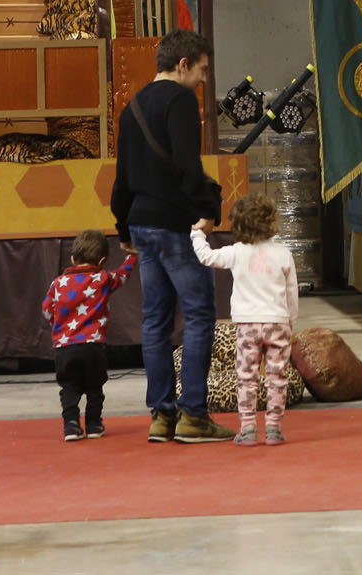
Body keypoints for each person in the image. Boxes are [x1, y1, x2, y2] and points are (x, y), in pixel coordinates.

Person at [110, 28, 234, 443]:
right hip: (175, 225)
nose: (202, 80)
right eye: (201, 70)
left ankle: (161, 416)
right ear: (182, 65)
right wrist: (207, 210)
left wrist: (123, 226)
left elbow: (123, 175)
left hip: (142, 224)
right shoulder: (181, 100)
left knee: (154, 321)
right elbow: (186, 164)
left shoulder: (132, 107)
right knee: (199, 315)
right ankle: (194, 416)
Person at [191, 193, 298, 446]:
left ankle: (248, 427)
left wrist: (197, 234)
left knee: (246, 377)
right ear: (271, 221)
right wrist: (291, 320)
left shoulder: (236, 252)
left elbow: (206, 257)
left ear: (237, 224)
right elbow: (292, 290)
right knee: (277, 376)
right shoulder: (283, 253)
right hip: (278, 322)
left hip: (247, 325)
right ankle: (273, 428)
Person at [41, 229, 137, 442]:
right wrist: (132, 255)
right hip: (94, 347)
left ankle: (71, 426)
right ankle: (94, 424)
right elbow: (123, 275)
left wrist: (60, 327)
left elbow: (47, 310)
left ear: (73, 258)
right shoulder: (103, 278)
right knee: (95, 387)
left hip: (65, 348)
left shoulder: (57, 284)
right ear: (102, 260)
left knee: (69, 387)